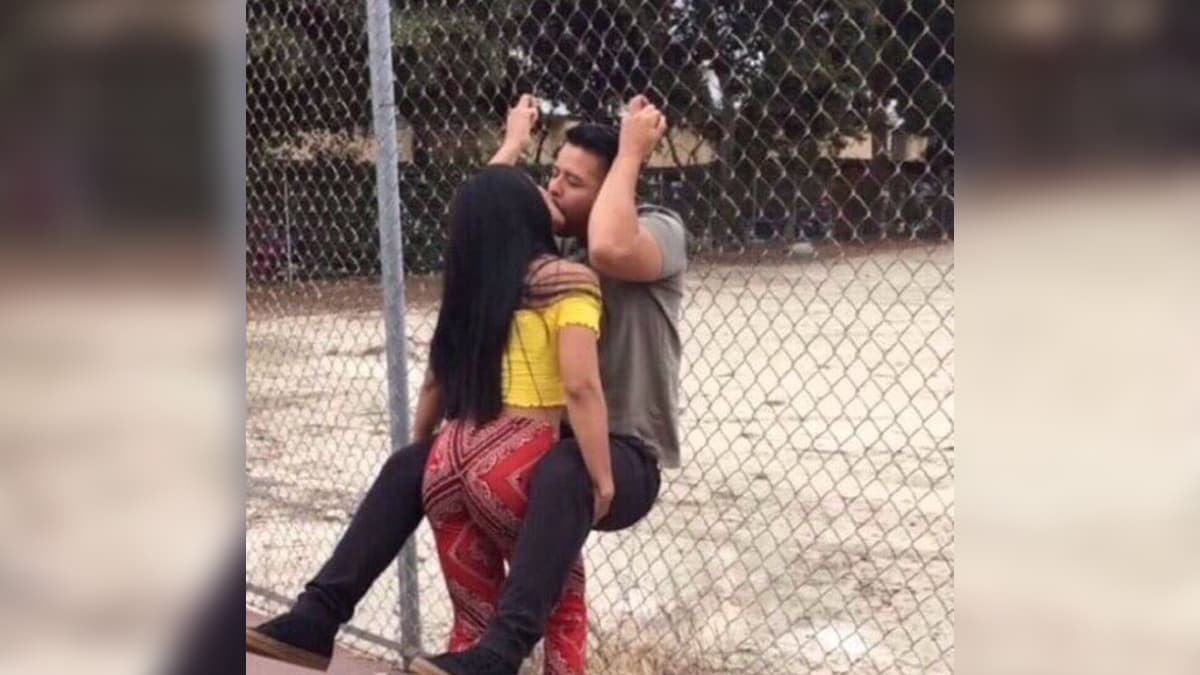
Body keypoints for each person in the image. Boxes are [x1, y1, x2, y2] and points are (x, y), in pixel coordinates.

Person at [247, 94, 687, 675]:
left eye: (573, 182)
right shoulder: (554, 253)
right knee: (413, 464)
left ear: (613, 189)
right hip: (532, 442)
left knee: (565, 470)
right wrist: (511, 143)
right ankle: (316, 617)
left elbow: (611, 246)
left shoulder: (657, 231)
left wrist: (631, 152)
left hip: (621, 454)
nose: (554, 187)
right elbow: (487, 212)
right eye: (553, 173)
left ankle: (502, 652)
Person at [409, 165, 607, 675]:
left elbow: (433, 383)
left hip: (448, 456)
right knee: (562, 611)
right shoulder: (568, 282)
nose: (549, 190)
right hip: (516, 459)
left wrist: (421, 448)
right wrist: (601, 477)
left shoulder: (472, 289)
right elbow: (580, 385)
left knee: (474, 622)